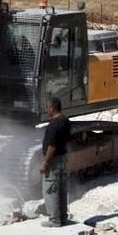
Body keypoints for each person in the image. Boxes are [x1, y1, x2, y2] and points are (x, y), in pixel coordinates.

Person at [41, 96, 71, 227]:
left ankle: (54, 220)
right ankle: (63, 217)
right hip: (63, 158)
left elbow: (52, 146)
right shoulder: (65, 121)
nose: (47, 110)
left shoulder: (54, 124)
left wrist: (45, 163)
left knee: (51, 189)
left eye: (47, 108)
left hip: (54, 161)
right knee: (61, 189)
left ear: (52, 108)